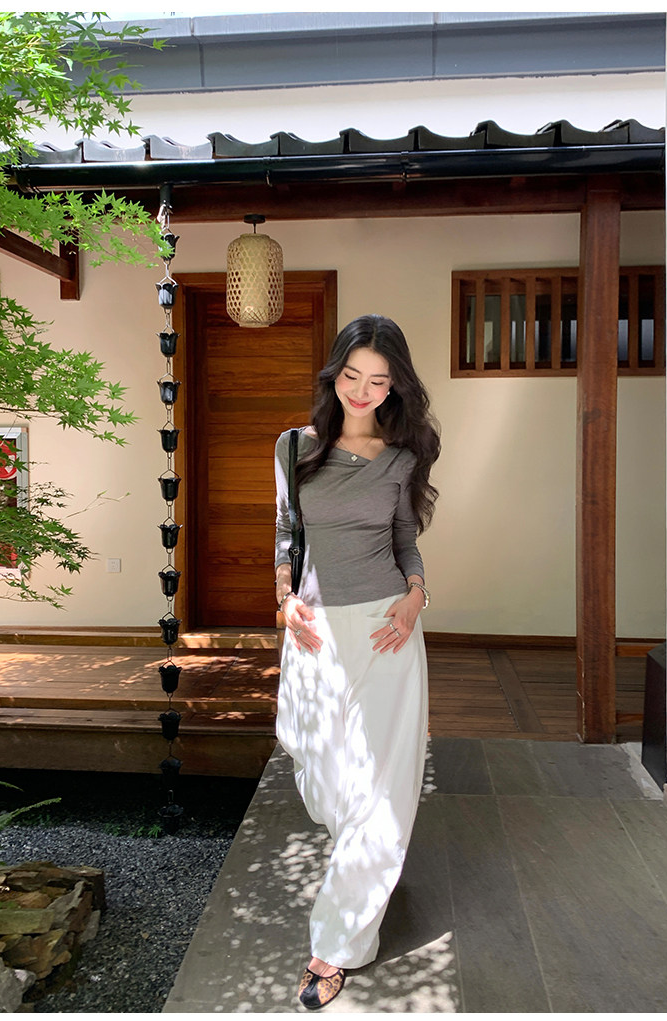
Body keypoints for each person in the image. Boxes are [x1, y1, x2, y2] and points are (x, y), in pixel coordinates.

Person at [273, 313, 441, 1010]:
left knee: (381, 792)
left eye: (379, 380)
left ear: (395, 385)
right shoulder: (294, 447)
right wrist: (285, 600)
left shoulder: (405, 454)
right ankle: (367, 865)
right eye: (352, 376)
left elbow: (406, 540)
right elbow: (287, 533)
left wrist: (416, 595)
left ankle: (336, 945)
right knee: (324, 781)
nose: (363, 391)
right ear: (333, 374)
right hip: (316, 635)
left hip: (384, 634)